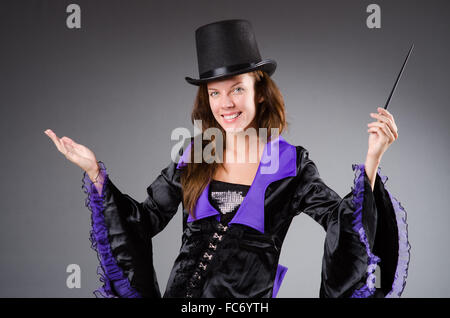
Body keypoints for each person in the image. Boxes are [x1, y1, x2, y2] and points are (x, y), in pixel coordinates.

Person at [44, 19, 409, 298]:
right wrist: (95, 172)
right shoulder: (195, 154)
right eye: (215, 93)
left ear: (260, 91)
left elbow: (343, 222)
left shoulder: (289, 164)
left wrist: (372, 161)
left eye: (237, 89)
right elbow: (143, 221)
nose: (226, 104)